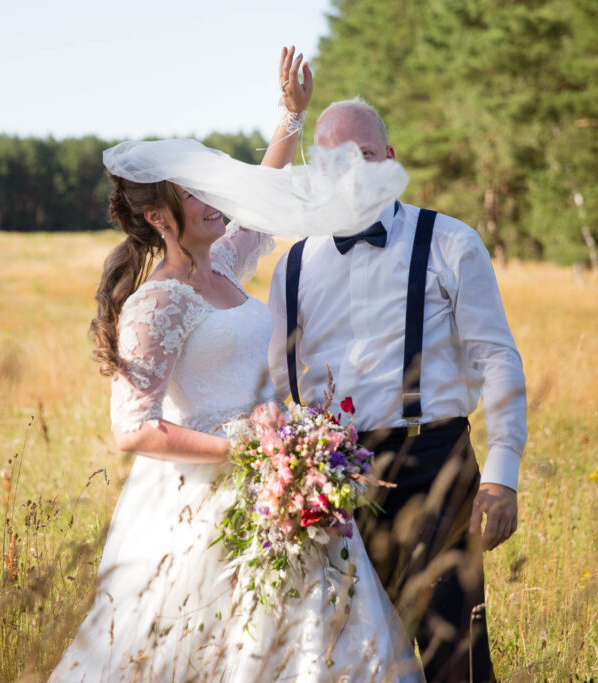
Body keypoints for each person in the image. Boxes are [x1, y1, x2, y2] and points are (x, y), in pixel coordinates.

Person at [50, 53, 424, 682]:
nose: (215, 200)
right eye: (195, 196)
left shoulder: (222, 267)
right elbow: (133, 429)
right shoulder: (157, 302)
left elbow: (259, 197)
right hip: (205, 502)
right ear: (159, 217)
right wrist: (249, 451)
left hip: (285, 486)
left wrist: (292, 115)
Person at [268, 97, 527, 683]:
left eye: (364, 155)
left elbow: (498, 358)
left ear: (389, 157)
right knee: (347, 657)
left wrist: (501, 473)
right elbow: (279, 387)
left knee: (453, 657)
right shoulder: (294, 266)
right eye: (334, 159)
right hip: (330, 484)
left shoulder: (450, 242)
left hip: (434, 466)